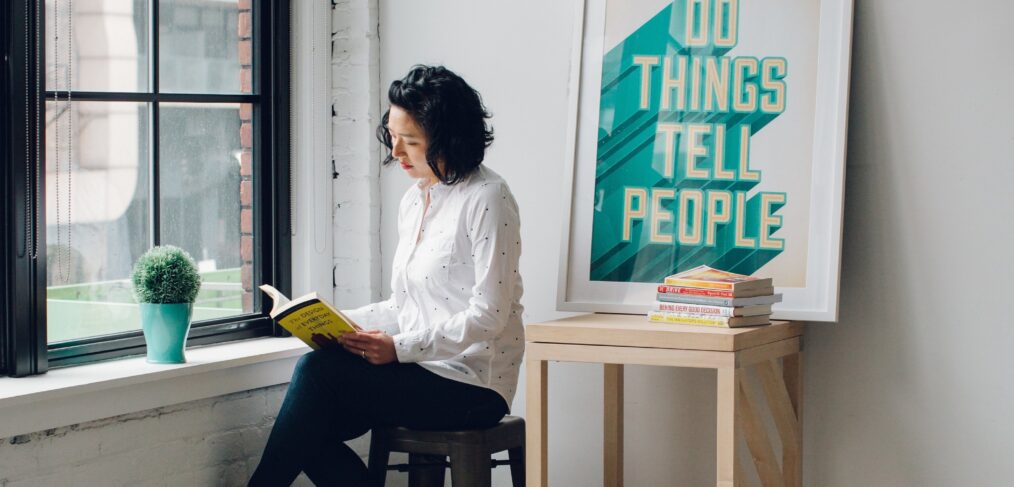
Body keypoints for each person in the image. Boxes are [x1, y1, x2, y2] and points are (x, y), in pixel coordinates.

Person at [249, 65, 524, 486]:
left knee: (316, 377)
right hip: (421, 368)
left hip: (473, 382)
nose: (396, 152)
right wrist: (340, 322)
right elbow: (407, 305)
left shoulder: (489, 198)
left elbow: (490, 315)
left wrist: (398, 348)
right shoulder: (414, 201)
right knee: (309, 423)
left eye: (410, 141)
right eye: (392, 136)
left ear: (448, 137)